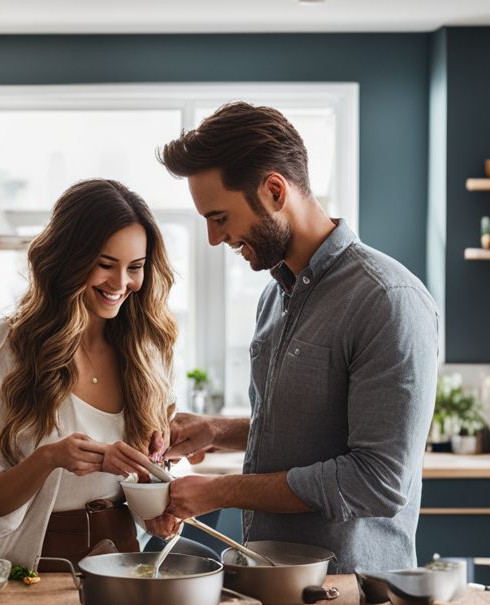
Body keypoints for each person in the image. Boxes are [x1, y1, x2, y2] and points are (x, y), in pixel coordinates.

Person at [147, 102, 439, 573]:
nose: (213, 238)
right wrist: (216, 432)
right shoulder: (273, 298)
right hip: (269, 580)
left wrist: (217, 491)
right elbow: (316, 433)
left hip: (348, 593)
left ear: (275, 191)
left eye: (220, 217)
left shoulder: (387, 300)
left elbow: (377, 480)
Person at [0, 179, 186, 568]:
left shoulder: (151, 349)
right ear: (68, 257)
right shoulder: (9, 345)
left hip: (122, 557)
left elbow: (145, 484)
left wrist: (158, 509)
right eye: (104, 264)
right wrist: (50, 458)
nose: (120, 284)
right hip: (33, 565)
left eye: (135, 268)